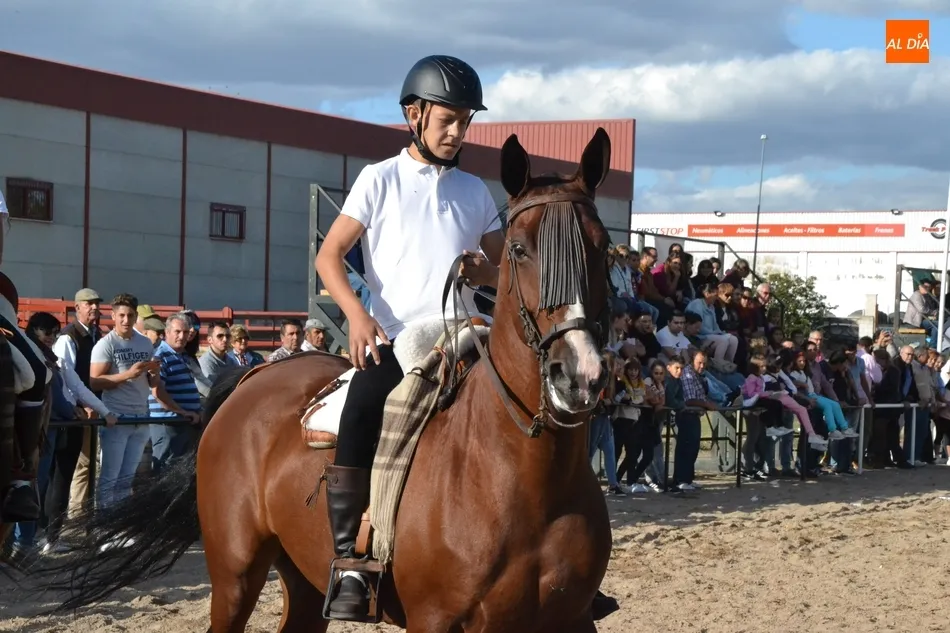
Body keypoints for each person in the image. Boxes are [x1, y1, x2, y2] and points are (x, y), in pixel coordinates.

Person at [313, 54, 504, 621]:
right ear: (413, 115)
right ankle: (351, 561)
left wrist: (486, 273)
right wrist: (356, 315)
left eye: (465, 121)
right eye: (448, 119)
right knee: (363, 405)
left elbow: (505, 271)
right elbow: (329, 256)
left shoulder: (475, 190)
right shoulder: (379, 179)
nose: (458, 132)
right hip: (399, 337)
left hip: (468, 332)